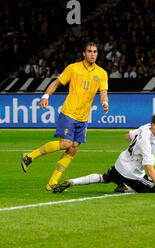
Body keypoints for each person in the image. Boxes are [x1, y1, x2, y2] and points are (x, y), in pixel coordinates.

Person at [21, 42, 109, 191]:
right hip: (69, 112)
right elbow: (56, 83)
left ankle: (52, 183)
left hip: (83, 117)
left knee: (73, 148)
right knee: (66, 143)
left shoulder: (101, 73)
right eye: (89, 51)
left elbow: (103, 93)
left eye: (95, 52)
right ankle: (29, 156)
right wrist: (45, 97)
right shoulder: (73, 68)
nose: (92, 54)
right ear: (84, 53)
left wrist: (105, 102)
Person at [53, 113, 155, 197]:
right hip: (133, 174)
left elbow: (127, 136)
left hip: (121, 163)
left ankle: (72, 181)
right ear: (154, 125)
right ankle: (126, 188)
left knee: (104, 178)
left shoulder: (145, 127)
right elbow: (150, 168)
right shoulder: (148, 143)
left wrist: (136, 146)